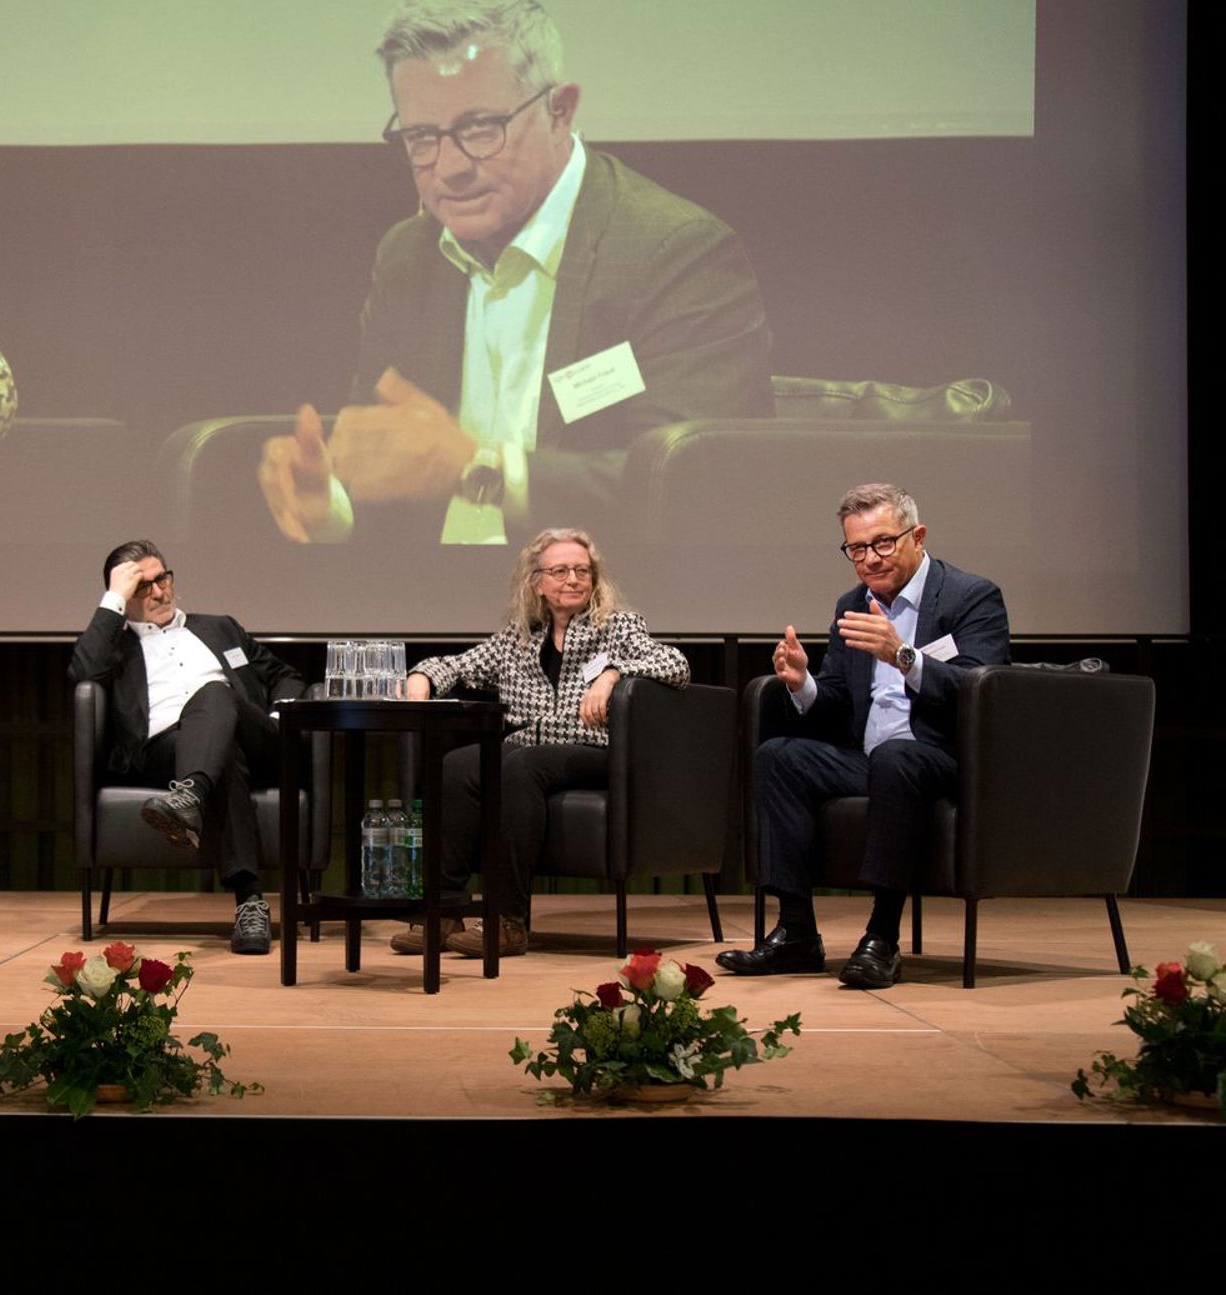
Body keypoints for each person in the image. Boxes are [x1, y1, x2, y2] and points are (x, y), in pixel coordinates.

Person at [260, 0, 770, 546]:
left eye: (480, 128)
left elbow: (693, 489)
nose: (450, 167)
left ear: (560, 111)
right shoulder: (408, 256)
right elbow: (388, 478)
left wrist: (478, 469)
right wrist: (328, 506)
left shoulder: (673, 252)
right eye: (421, 137)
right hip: (432, 590)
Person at [718, 483, 1010, 989]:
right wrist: (803, 683)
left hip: (943, 759)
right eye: (856, 549)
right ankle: (796, 932)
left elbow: (980, 689)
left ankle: (882, 938)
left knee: (898, 757)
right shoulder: (852, 604)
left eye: (883, 543)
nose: (870, 559)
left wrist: (903, 656)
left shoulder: (970, 596)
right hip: (870, 757)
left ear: (917, 537)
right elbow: (838, 700)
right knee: (777, 756)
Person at [403, 527, 688, 955]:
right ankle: (444, 911)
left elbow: (675, 663)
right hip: (529, 748)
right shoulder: (518, 638)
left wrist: (613, 673)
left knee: (519, 766)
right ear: (536, 582)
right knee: (457, 766)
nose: (573, 579)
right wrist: (422, 678)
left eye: (582, 571)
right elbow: (457, 665)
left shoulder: (616, 627)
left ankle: (507, 921)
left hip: (594, 747)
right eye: (560, 571)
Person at [68, 541, 306, 954]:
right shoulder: (115, 648)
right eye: (144, 587)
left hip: (256, 741)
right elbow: (83, 672)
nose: (160, 592)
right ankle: (249, 901)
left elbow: (286, 676)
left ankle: (190, 796)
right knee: (223, 753)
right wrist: (113, 599)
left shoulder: (220, 628)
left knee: (214, 692)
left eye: (163, 579)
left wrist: (274, 716)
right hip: (165, 750)